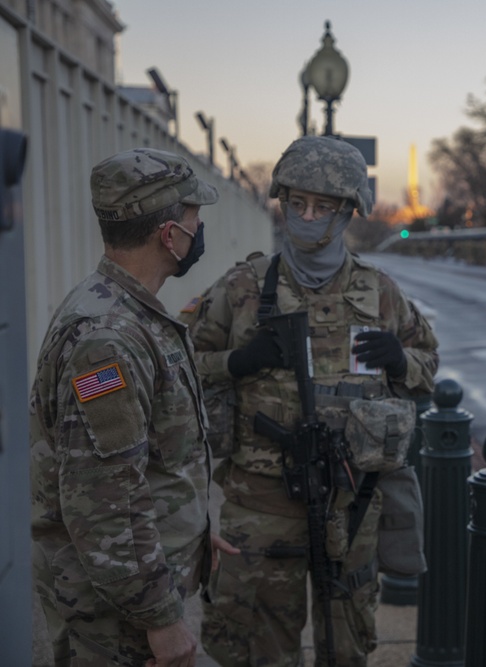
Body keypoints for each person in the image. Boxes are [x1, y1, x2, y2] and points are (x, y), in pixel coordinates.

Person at [181, 135, 439, 667]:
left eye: (322, 206)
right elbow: (174, 373)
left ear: (348, 213)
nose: (306, 216)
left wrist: (401, 360)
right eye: (296, 203)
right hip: (261, 504)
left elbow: (427, 369)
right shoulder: (240, 289)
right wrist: (236, 362)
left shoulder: (380, 292)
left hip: (352, 503)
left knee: (346, 646)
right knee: (257, 647)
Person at [30, 147, 238, 666]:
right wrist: (164, 623)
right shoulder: (108, 339)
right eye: (195, 218)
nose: (200, 230)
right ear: (170, 235)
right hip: (114, 617)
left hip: (130, 592)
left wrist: (192, 527)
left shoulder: (127, 311)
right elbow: (106, 504)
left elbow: (151, 459)